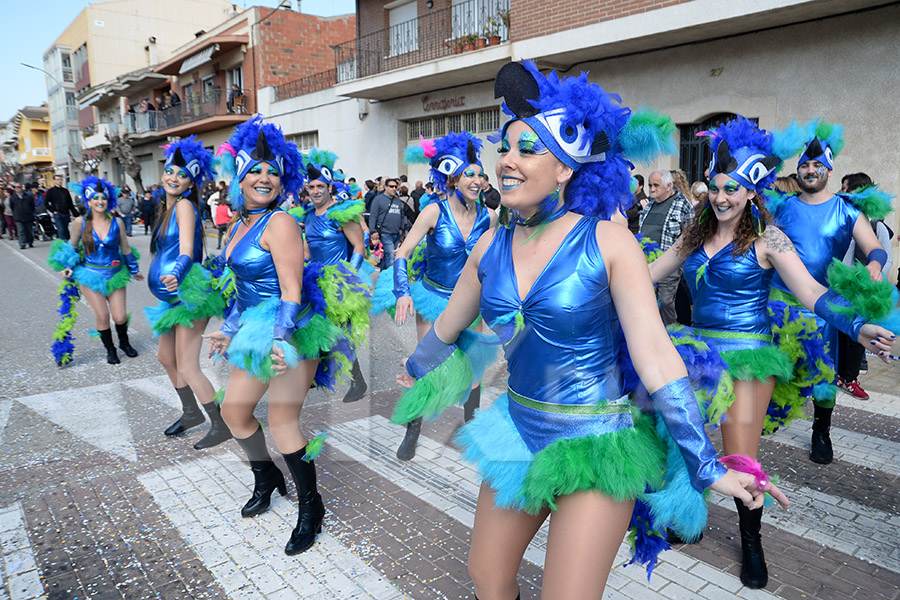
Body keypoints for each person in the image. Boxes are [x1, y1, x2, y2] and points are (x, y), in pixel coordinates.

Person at [395, 62, 788, 599]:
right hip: (517, 428)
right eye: (504, 149)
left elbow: (653, 353)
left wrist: (705, 462)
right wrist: (414, 366)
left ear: (565, 169)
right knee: (487, 576)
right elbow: (447, 324)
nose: (506, 161)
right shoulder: (489, 246)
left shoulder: (608, 242)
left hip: (596, 440)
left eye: (527, 149)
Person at [649, 116, 896, 588]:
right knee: (683, 441)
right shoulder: (695, 234)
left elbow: (810, 292)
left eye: (733, 189)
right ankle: (686, 516)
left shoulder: (770, 238)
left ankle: (752, 543)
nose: (722, 197)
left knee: (742, 458)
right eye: (717, 187)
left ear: (751, 192)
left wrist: (858, 326)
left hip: (749, 356)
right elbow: (650, 274)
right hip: (697, 352)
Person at [206, 116, 369, 556]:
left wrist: (280, 341)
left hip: (292, 327)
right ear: (239, 178)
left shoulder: (280, 223)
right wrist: (228, 329)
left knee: (281, 420)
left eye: (272, 172)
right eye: (255, 171)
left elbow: (291, 289)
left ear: (283, 181)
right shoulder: (237, 226)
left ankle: (310, 507)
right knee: (235, 411)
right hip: (255, 325)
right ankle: (267, 476)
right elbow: (241, 291)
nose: (264, 178)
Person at [766, 118, 889, 464]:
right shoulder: (782, 205)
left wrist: (876, 264)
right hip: (780, 301)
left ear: (829, 171)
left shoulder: (847, 210)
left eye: (817, 165)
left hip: (822, 304)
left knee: (822, 371)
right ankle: (774, 414)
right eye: (804, 164)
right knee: (777, 365)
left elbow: (874, 247)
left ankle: (821, 431)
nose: (809, 169)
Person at [379, 130, 497, 460]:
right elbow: (401, 252)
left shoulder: (490, 217)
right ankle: (412, 427)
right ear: (453, 179)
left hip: (471, 303)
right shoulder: (433, 212)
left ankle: (472, 428)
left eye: (479, 175)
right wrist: (402, 292)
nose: (476, 181)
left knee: (474, 372)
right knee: (427, 366)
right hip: (433, 299)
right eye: (468, 175)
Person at [145, 136, 231, 450]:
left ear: (190, 182)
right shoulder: (164, 208)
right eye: (170, 171)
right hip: (170, 297)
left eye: (182, 175)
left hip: (188, 295)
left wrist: (175, 273)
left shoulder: (183, 206)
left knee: (188, 365)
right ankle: (191, 412)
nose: (174, 177)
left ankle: (221, 424)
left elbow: (186, 250)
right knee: (166, 357)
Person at [292, 148, 371, 403]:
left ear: (329, 187)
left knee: (339, 334)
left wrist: (348, 277)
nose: (315, 191)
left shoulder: (340, 214)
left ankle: (358, 382)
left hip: (339, 282)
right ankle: (319, 374)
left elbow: (359, 246)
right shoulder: (307, 216)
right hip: (315, 281)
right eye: (311, 187)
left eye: (319, 186)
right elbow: (307, 248)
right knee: (318, 330)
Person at [47, 176, 143, 365]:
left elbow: (125, 248)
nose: (100, 201)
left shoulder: (118, 222)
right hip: (90, 275)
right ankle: (111, 349)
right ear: (88, 201)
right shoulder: (80, 222)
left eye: (103, 198)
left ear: (108, 200)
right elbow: (72, 247)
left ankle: (124, 343)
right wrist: (68, 266)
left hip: (115, 274)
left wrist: (134, 269)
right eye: (95, 198)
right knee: (102, 316)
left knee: (120, 316)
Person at [836, 172, 893, 400]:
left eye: (845, 187)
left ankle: (849, 378)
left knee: (858, 332)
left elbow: (886, 258)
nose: (840, 191)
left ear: (857, 190)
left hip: (862, 290)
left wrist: (872, 273)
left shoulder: (875, 225)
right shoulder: (838, 218)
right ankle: (837, 375)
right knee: (839, 331)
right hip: (838, 289)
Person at [638, 170, 693, 324]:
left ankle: (670, 334)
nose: (652, 188)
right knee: (648, 302)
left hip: (669, 264)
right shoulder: (649, 205)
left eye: (656, 185)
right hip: (646, 263)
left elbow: (690, 234)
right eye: (650, 185)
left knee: (666, 301)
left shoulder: (682, 204)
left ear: (669, 186)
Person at [367, 177, 406, 269]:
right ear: (385, 187)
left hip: (396, 233)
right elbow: (373, 216)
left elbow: (401, 215)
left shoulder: (398, 201)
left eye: (396, 187)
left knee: (387, 256)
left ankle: (383, 275)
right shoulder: (378, 199)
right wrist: (372, 231)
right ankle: (390, 279)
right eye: (391, 186)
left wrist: (401, 228)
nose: (394, 189)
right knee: (391, 256)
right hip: (385, 232)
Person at [46, 174, 79, 241]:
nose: (60, 181)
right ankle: (62, 244)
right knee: (61, 229)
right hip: (58, 214)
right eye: (58, 179)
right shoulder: (51, 191)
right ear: (54, 181)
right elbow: (46, 203)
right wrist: (53, 211)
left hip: (66, 214)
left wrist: (75, 214)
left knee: (66, 230)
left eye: (60, 179)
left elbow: (70, 203)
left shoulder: (65, 191)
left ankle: (67, 243)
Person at [9, 182, 35, 249]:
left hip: (28, 216)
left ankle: (30, 242)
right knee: (21, 231)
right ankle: (22, 244)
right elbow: (11, 206)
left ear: (22, 188)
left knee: (28, 231)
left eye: (19, 187)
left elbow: (32, 206)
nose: (17, 188)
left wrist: (29, 212)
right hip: (18, 217)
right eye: (15, 187)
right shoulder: (13, 198)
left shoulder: (28, 196)